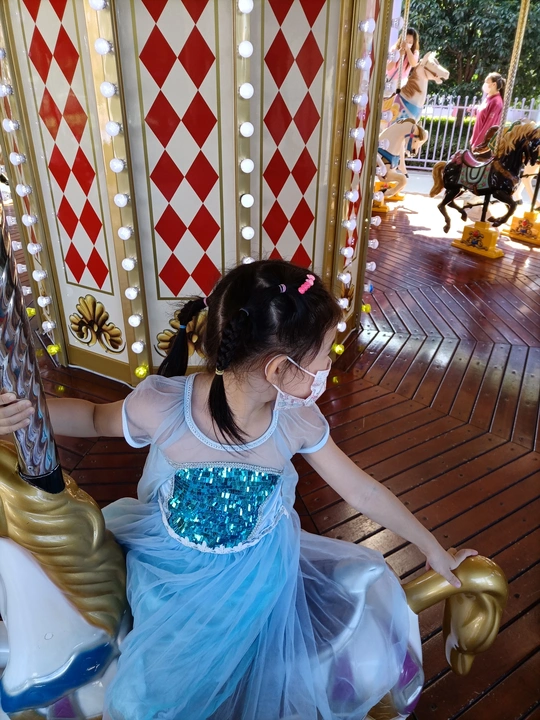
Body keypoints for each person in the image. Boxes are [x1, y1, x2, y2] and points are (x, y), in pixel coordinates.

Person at [0, 259, 476, 720]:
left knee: (219, 676)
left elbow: (362, 492)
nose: (328, 366)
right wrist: (24, 414)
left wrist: (431, 547)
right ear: (279, 369)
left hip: (255, 571)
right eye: (324, 355)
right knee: (143, 698)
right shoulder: (163, 405)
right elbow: (90, 417)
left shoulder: (296, 421)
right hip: (168, 560)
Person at [470, 72, 506, 151]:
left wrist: (478, 144)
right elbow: (483, 114)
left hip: (482, 146)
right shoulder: (488, 98)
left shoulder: (496, 102)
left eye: (487, 82)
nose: (485, 84)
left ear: (494, 84)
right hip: (476, 142)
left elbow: (489, 126)